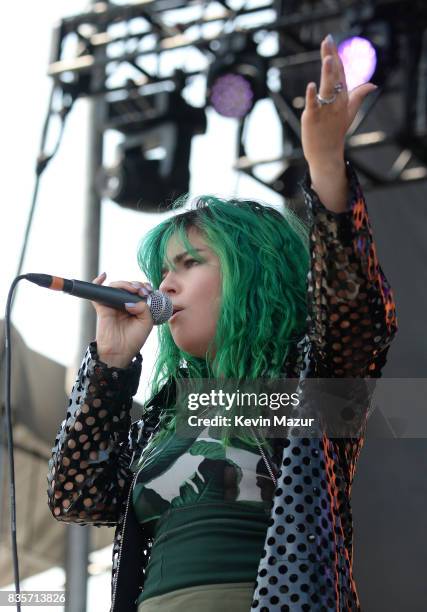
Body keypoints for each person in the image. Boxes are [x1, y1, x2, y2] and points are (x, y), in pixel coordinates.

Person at [47, 35, 397, 611]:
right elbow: (79, 495)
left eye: (189, 264)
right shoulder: (166, 411)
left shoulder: (306, 383)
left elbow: (355, 309)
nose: (165, 285)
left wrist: (327, 168)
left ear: (251, 279)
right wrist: (110, 364)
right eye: (162, 271)